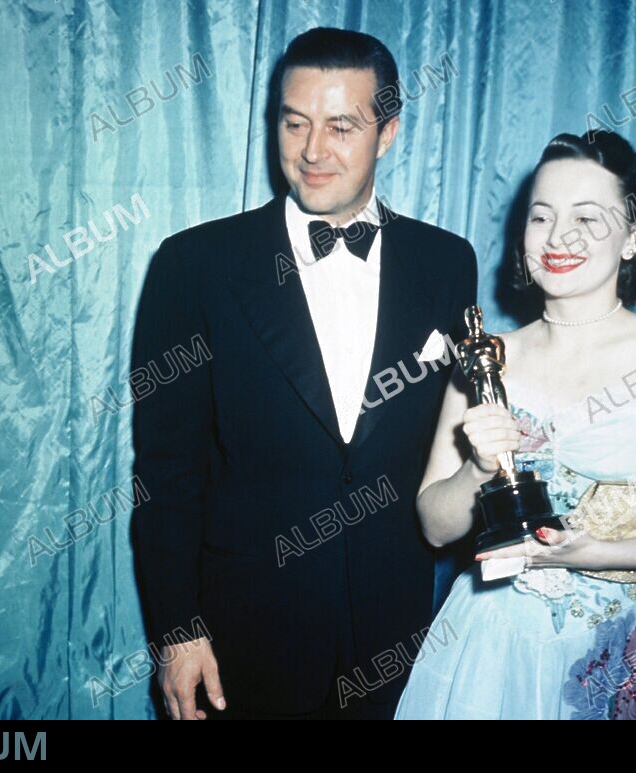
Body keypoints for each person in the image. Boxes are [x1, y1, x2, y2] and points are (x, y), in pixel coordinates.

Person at [130, 27, 477, 720]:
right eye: (295, 123)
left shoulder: (447, 262)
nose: (313, 151)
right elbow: (166, 473)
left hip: (396, 636)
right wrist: (176, 630)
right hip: (240, 642)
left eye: (341, 127)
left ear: (387, 134)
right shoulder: (194, 265)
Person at [394, 130, 636, 719]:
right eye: (541, 217)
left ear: (633, 236)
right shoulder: (486, 358)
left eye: (588, 219)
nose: (559, 237)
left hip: (634, 643)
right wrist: (476, 469)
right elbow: (436, 528)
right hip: (498, 643)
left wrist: (600, 552)